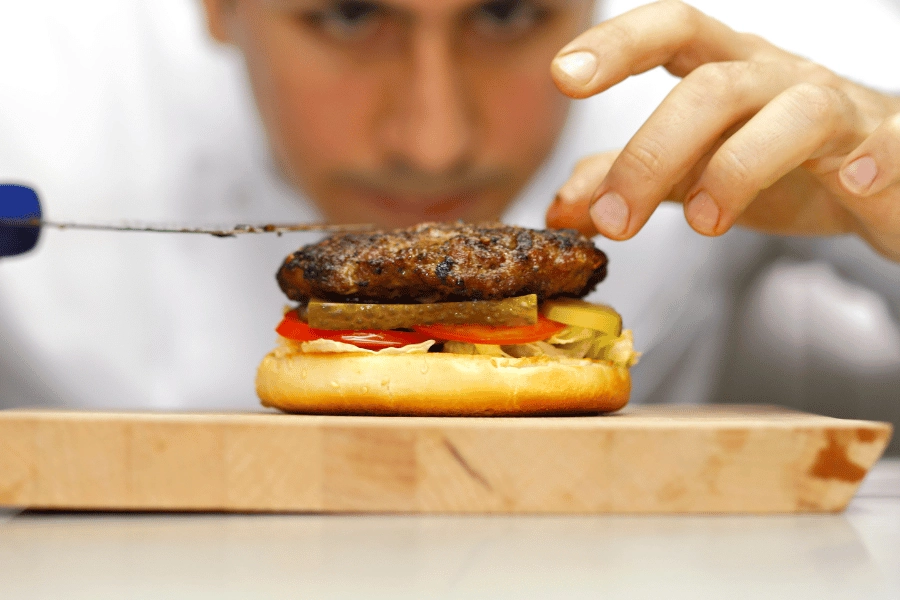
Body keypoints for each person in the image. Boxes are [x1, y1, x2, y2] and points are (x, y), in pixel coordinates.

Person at [1, 0, 899, 449]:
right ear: (219, 8)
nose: (434, 144)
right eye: (349, 15)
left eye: (505, 13)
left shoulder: (751, 75)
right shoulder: (32, 98)